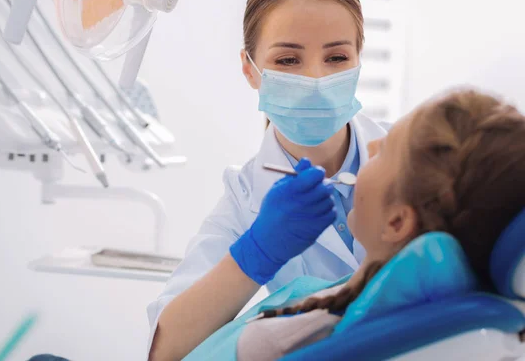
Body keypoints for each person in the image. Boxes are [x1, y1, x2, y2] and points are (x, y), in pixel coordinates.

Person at [147, 0, 391, 359]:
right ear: (250, 69)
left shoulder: (412, 153)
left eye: (337, 57)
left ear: (359, 60)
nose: (315, 78)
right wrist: (256, 253)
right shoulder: (246, 198)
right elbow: (166, 350)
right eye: (288, 61)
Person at [188, 89, 525, 361]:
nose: (375, 143)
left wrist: (258, 252)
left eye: (387, 149)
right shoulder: (459, 310)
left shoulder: (276, 341)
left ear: (395, 222)